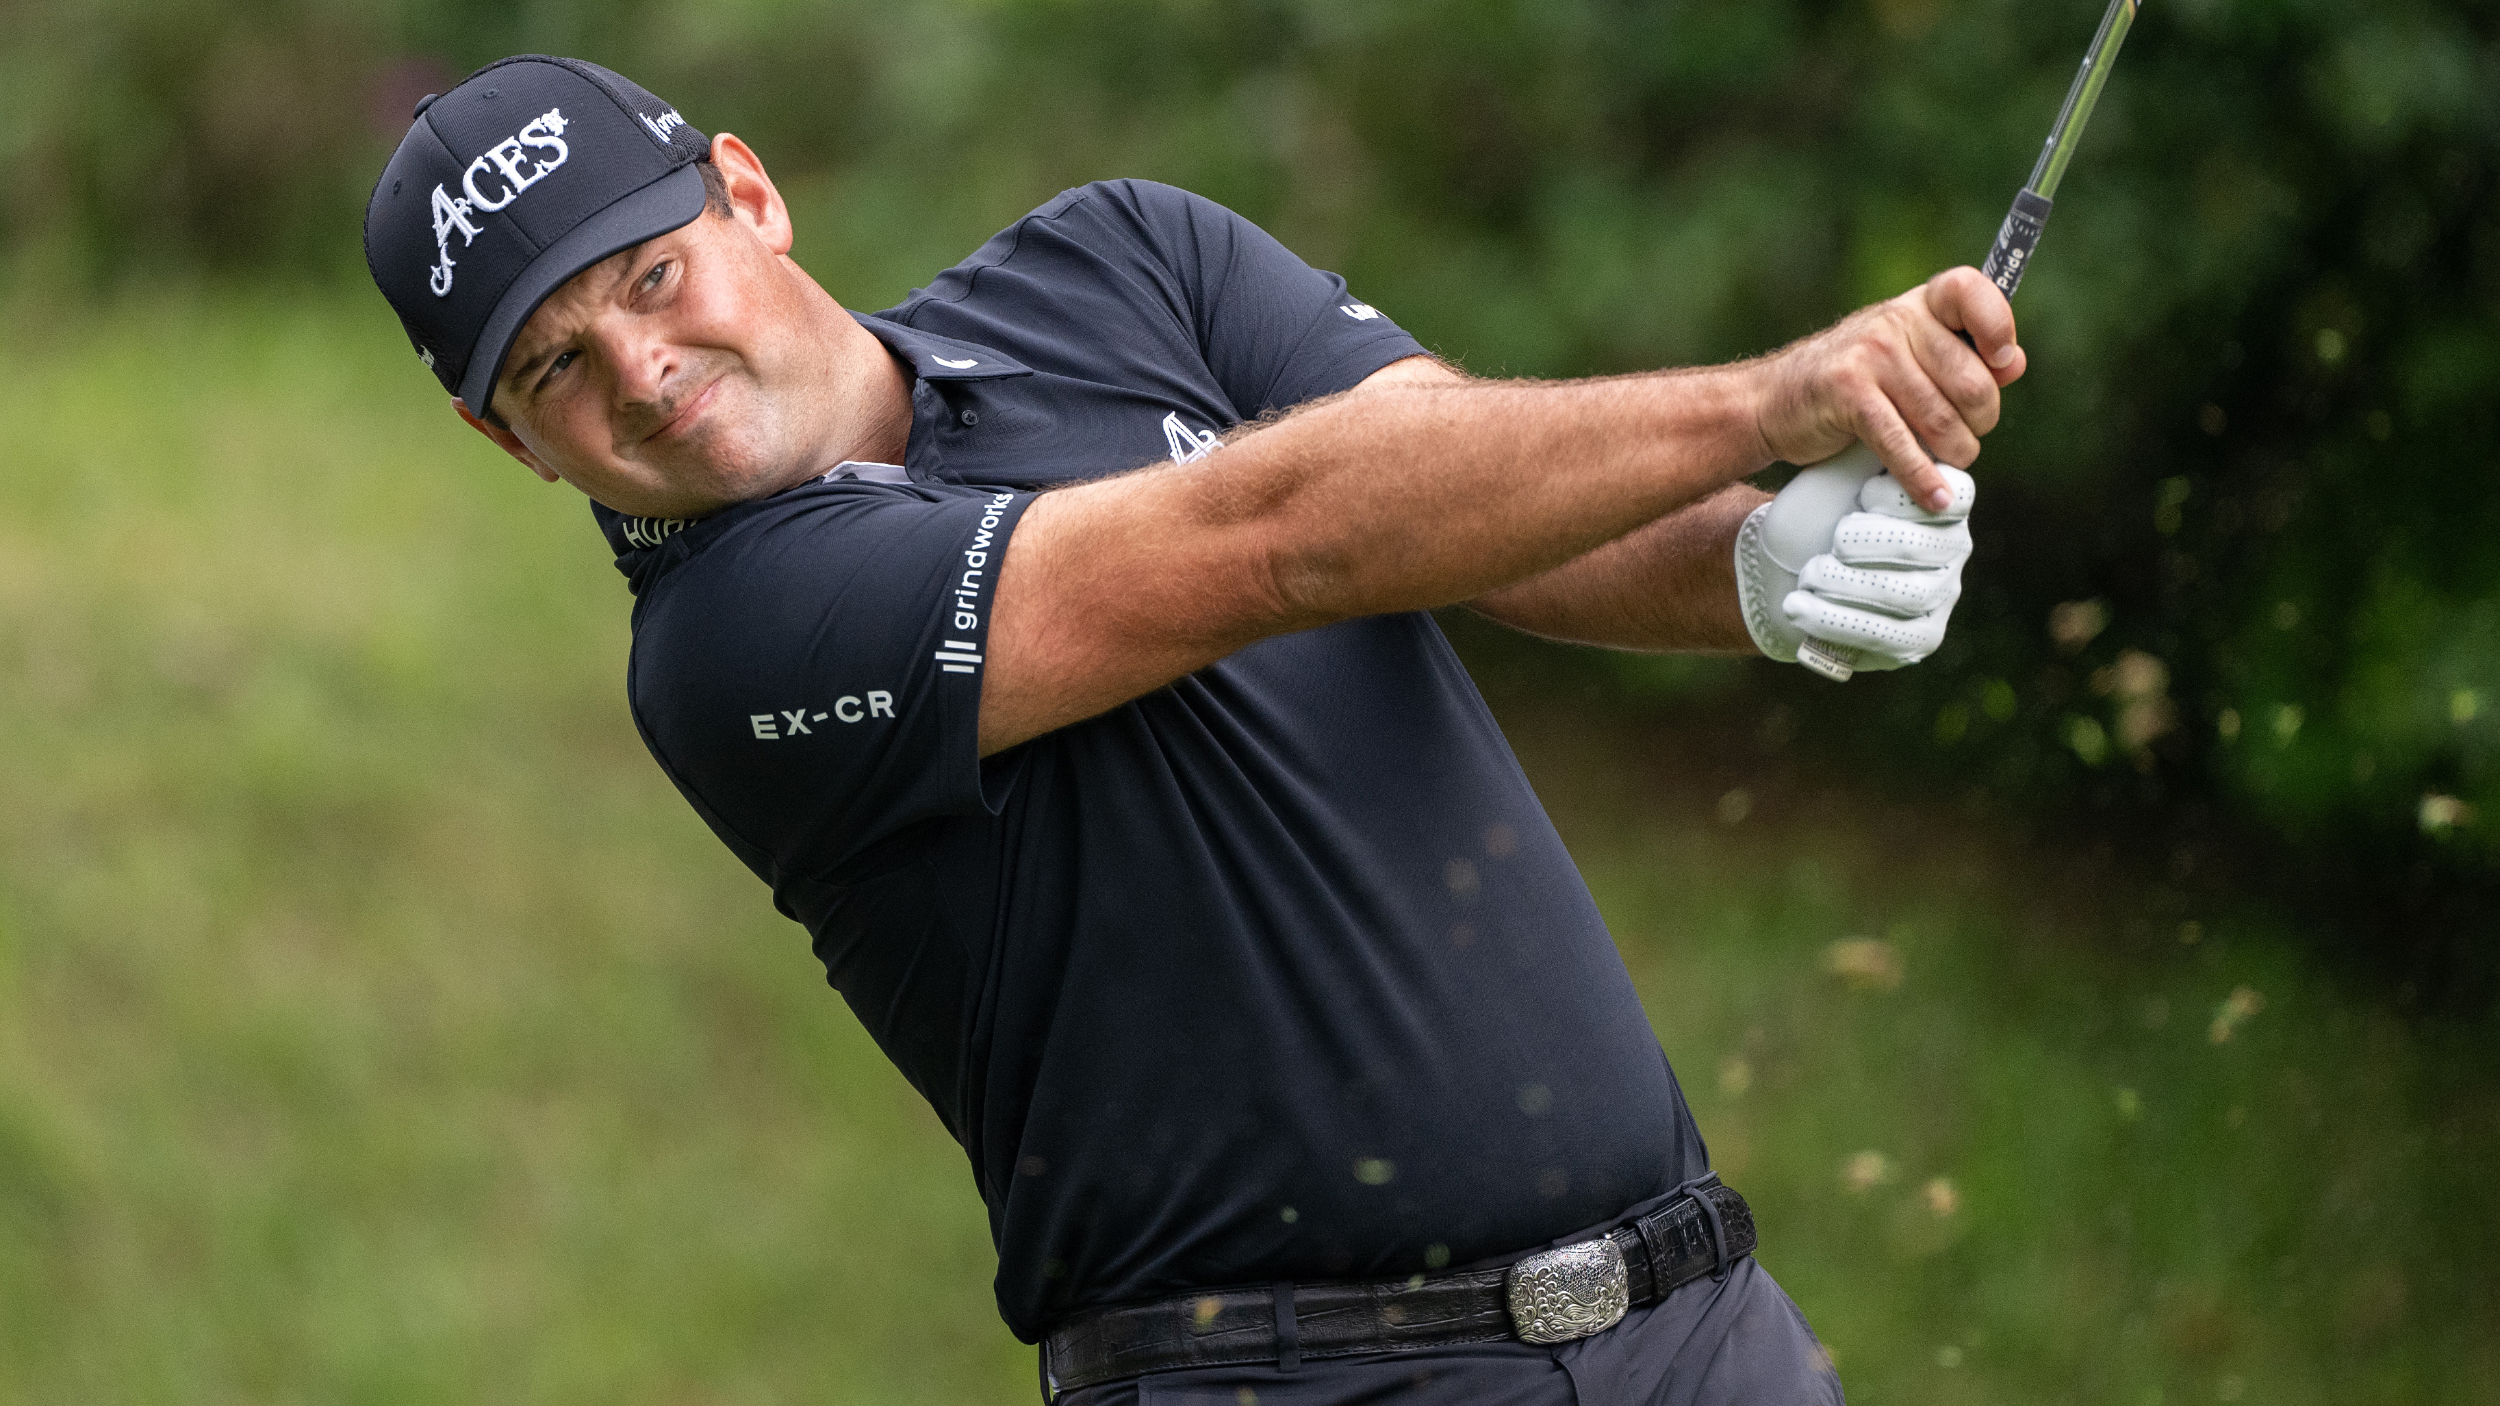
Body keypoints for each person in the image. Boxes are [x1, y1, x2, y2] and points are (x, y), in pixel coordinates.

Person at [364, 55, 2019, 1405]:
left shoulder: (1124, 260)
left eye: (654, 278)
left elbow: (1465, 484)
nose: (642, 371)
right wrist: (1759, 403)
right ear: (507, 441)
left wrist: (1753, 564)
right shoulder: (727, 644)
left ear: (749, 192)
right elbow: (1278, 539)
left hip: (1702, 1320)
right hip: (1295, 1382)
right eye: (555, 368)